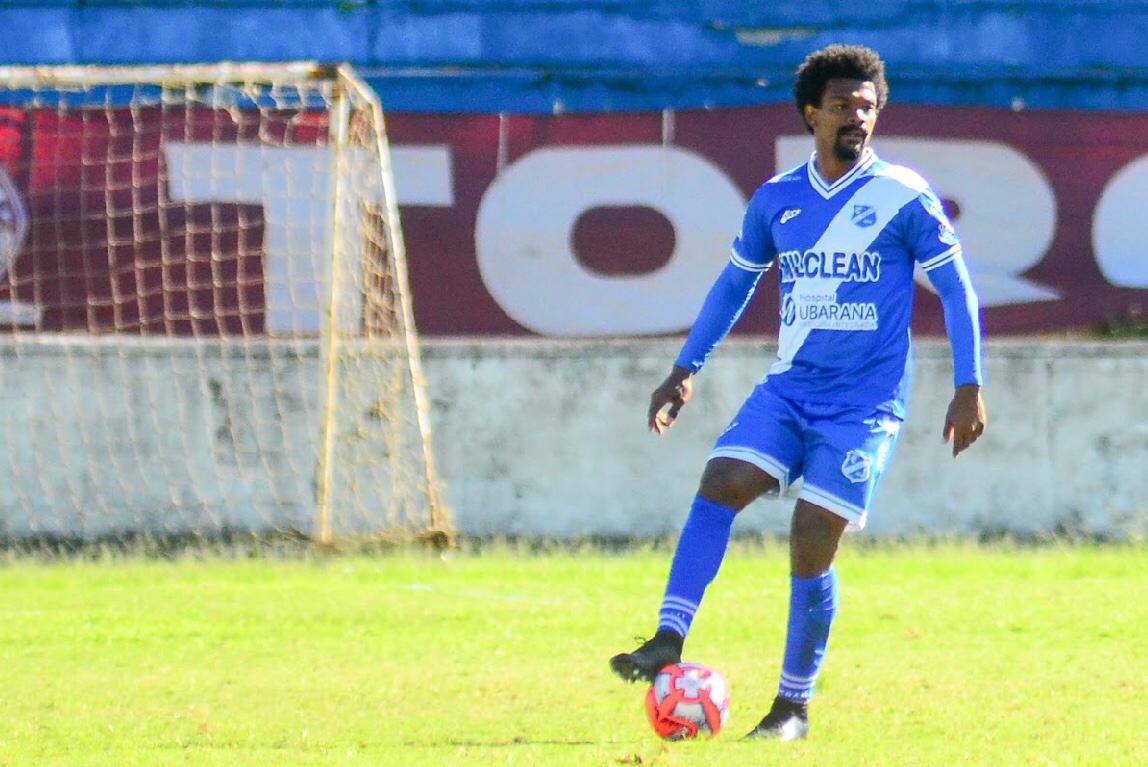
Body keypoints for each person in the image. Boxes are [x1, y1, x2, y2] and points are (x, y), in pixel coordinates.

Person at [609, 44, 987, 741]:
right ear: (812, 114)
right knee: (721, 477)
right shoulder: (778, 200)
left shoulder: (903, 195)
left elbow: (958, 289)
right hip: (790, 390)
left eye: (867, 106)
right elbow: (734, 284)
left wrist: (970, 384)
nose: (856, 117)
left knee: (811, 537)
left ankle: (792, 707)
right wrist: (686, 366)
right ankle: (668, 634)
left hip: (865, 405)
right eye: (842, 105)